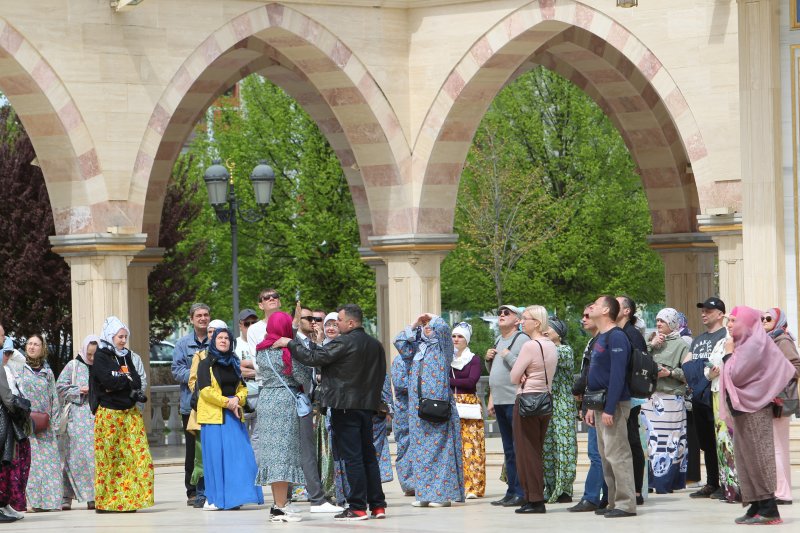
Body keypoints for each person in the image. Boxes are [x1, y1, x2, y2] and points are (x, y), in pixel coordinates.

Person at [278, 304, 387, 521]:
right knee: (368, 457)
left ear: (351, 323)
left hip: (344, 406)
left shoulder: (344, 342)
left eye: (340, 319)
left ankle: (357, 507)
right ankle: (377, 505)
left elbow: (313, 358)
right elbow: (381, 374)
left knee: (353, 458)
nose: (336, 323)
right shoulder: (376, 345)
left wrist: (289, 343)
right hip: (367, 407)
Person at [720, 306, 796, 525]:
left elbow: (736, 375)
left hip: (754, 407)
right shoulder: (743, 344)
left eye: (734, 321)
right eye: (730, 321)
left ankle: (769, 508)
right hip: (742, 408)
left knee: (759, 457)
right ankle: (755, 505)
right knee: (745, 458)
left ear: (745, 322)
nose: (730, 325)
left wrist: (727, 354)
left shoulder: (753, 344)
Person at [393, 314, 463, 509]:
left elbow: (443, 329)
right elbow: (399, 342)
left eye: (429, 325)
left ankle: (441, 495)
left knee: (440, 449)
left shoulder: (443, 348)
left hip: (438, 405)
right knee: (419, 451)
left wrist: (433, 317)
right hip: (418, 409)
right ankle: (424, 493)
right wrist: (415, 322)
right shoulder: (416, 350)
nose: (427, 327)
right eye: (424, 326)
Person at [90, 316, 154, 513]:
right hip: (109, 414)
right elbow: (108, 383)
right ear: (111, 336)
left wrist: (121, 381)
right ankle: (106, 502)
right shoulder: (101, 356)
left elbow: (136, 381)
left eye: (125, 337)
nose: (123, 340)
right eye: (120, 337)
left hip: (129, 413)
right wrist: (124, 381)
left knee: (136, 457)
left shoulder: (126, 355)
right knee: (110, 460)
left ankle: (129, 500)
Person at [196, 327, 263, 510]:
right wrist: (228, 402)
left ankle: (236, 498)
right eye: (220, 337)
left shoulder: (234, 362)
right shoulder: (205, 363)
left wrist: (237, 399)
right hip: (214, 418)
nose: (223, 340)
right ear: (214, 340)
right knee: (217, 460)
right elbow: (205, 391)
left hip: (233, 417)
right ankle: (217, 498)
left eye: (226, 338)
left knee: (238, 458)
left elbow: (242, 387)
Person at [253, 311, 310, 523]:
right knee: (284, 455)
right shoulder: (288, 350)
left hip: (266, 400)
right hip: (285, 402)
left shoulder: (261, 350)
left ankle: (281, 503)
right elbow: (302, 376)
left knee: (274, 455)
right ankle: (279, 507)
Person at [585, 295, 636, 518]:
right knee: (606, 456)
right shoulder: (600, 337)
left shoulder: (617, 337)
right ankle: (613, 501)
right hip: (599, 403)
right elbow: (594, 374)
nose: (591, 308)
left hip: (612, 404)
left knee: (618, 454)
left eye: (594, 305)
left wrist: (609, 407)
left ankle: (626, 504)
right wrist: (590, 406)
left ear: (605, 310)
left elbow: (617, 376)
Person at [293, 306, 343, 513]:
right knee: (305, 450)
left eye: (317, 319)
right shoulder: (295, 343)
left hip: (322, 402)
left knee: (315, 451)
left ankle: (321, 492)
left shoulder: (315, 344)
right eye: (309, 318)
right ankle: (312, 495)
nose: (314, 322)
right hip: (303, 402)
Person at [509, 306, 557, 514]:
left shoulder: (530, 346)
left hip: (527, 400)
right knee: (535, 451)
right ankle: (535, 496)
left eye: (525, 318)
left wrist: (520, 375)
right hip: (545, 401)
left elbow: (513, 376)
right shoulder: (551, 345)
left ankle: (535, 499)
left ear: (536, 323)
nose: (521, 321)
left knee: (526, 452)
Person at [486, 304, 529, 508]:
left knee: (518, 448)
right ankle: (511, 491)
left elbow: (524, 367)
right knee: (508, 450)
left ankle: (521, 491)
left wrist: (506, 355)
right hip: (501, 400)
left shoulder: (522, 339)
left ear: (518, 319)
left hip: (514, 399)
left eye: (507, 313)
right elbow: (496, 372)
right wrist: (489, 361)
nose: (501, 315)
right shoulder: (498, 339)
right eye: (500, 313)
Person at [642, 307, 689, 494]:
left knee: (669, 442)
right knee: (650, 442)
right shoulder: (652, 341)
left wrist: (669, 372)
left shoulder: (682, 345)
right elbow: (639, 360)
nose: (659, 323)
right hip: (649, 399)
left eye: (663, 320)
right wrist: (651, 345)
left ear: (672, 323)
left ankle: (665, 483)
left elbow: (688, 373)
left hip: (670, 399)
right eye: (658, 320)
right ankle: (650, 482)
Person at [684, 297, 726, 500]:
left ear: (720, 314)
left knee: (721, 440)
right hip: (699, 396)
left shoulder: (726, 335)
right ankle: (711, 482)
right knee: (707, 442)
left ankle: (726, 483)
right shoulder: (698, 339)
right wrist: (702, 371)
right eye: (703, 310)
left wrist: (700, 368)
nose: (704, 313)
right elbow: (686, 364)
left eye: (708, 310)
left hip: (718, 395)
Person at [568, 305, 608, 513]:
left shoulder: (603, 341)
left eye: (587, 315)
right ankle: (604, 496)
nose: (583, 319)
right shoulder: (593, 341)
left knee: (596, 454)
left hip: (598, 402)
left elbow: (591, 374)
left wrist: (578, 389)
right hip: (591, 401)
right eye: (582, 315)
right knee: (599, 453)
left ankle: (592, 497)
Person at [56, 335, 101, 511]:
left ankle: (92, 496)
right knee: (73, 457)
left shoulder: (101, 366)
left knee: (93, 458)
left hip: (96, 416)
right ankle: (66, 496)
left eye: (94, 355)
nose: (91, 358)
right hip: (77, 417)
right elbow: (60, 387)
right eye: (89, 354)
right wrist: (78, 390)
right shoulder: (72, 366)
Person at [17, 334, 61, 512]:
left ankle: (49, 503)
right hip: (26, 424)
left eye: (36, 344)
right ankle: (32, 503)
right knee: (32, 465)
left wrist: (55, 424)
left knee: (50, 465)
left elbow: (54, 398)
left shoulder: (47, 372)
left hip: (46, 426)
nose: (32, 347)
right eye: (29, 344)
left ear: (42, 349)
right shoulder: (19, 369)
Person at [172, 303, 210, 507]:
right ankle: (192, 490)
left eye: (205, 315)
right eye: (199, 316)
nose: (203, 318)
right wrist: (198, 375)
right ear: (191, 319)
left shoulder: (217, 340)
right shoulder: (182, 344)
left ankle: (211, 487)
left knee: (211, 448)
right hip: (191, 405)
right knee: (192, 451)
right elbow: (176, 370)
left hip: (214, 406)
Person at [761, 307, 800, 505]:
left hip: (780, 399)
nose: (764, 320)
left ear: (779, 320)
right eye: (762, 317)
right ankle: (782, 490)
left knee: (776, 447)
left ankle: (781, 492)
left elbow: (796, 367)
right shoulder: (770, 339)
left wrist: (772, 372)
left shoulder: (782, 339)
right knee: (779, 447)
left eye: (769, 318)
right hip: (774, 397)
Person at [615, 296, 647, 505]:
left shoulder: (632, 334)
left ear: (626, 311)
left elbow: (639, 365)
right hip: (621, 395)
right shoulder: (618, 333)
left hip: (631, 397)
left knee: (632, 441)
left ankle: (635, 491)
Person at [541, 316, 577, 504]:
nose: (546, 330)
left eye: (550, 328)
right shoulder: (542, 347)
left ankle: (564, 489)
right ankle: (550, 487)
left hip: (562, 404)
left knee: (564, 446)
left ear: (560, 333)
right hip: (545, 403)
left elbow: (549, 356)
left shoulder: (565, 350)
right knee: (547, 448)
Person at [449, 322, 485, 499]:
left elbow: (471, 382)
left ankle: (474, 486)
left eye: (460, 336)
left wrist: (448, 381)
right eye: (454, 336)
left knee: (472, 446)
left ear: (467, 339)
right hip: (451, 405)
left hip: (469, 403)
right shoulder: (447, 358)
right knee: (455, 446)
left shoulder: (473, 359)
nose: (456, 339)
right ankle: (458, 486)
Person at [0, 336, 28, 522]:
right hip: (5, 417)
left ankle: (6, 504)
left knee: (11, 465)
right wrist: (19, 409)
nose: (8, 355)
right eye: (5, 352)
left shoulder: (9, 369)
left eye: (10, 352)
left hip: (11, 420)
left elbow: (21, 360)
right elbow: (7, 397)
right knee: (4, 464)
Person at [391, 342, 414, 496]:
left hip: (420, 410)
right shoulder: (399, 360)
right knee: (405, 446)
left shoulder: (421, 358)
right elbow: (401, 384)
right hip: (404, 410)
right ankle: (409, 484)